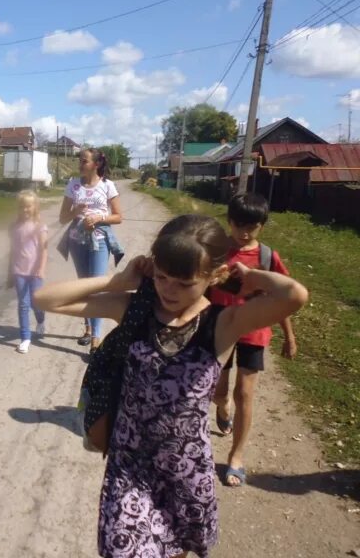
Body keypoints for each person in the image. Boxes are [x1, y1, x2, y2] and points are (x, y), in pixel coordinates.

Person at [34, 214, 308, 558]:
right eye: (162, 277)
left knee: (174, 549)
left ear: (214, 275)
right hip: (129, 464)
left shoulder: (223, 324)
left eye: (184, 282)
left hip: (185, 470)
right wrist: (117, 281)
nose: (169, 289)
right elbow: (44, 299)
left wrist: (251, 276)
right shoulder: (135, 310)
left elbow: (296, 295)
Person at [209, 193, 296, 488]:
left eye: (252, 226)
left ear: (262, 225)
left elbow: (282, 298)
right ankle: (221, 408)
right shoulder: (218, 250)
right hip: (221, 328)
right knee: (219, 391)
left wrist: (289, 336)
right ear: (229, 221)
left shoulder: (267, 257)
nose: (244, 233)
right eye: (238, 225)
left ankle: (236, 457)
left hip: (254, 331)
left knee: (244, 393)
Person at [58, 149, 123, 350]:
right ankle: (87, 328)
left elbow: (119, 216)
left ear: (96, 164)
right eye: (80, 160)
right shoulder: (73, 185)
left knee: (96, 288)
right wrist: (75, 211)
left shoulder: (107, 185)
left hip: (100, 241)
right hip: (77, 241)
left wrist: (99, 218)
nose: (80, 163)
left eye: (83, 160)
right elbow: (62, 218)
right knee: (84, 287)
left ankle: (96, 338)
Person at [7, 190, 48, 354]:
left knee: (36, 302)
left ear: (35, 207)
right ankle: (25, 338)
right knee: (23, 304)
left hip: (35, 272)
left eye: (28, 206)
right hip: (19, 271)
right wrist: (10, 273)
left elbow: (44, 250)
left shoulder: (39, 227)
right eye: (22, 207)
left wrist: (41, 268)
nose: (25, 210)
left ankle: (41, 320)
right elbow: (12, 250)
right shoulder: (14, 227)